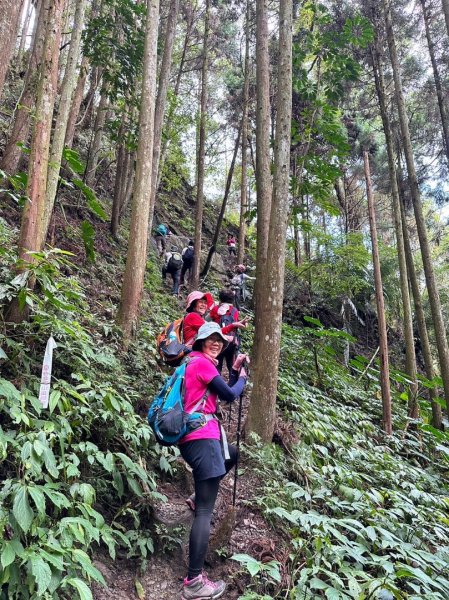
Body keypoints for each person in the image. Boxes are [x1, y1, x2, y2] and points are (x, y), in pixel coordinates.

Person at [179, 322, 249, 600]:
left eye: (220, 340)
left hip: (198, 440)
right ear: (200, 342)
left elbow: (221, 391)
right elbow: (232, 394)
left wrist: (233, 371)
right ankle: (194, 581)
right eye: (211, 339)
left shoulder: (194, 364)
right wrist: (243, 377)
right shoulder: (202, 365)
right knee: (205, 513)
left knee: (231, 453)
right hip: (202, 440)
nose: (217, 343)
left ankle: (198, 495)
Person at [183, 291, 248, 347]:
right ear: (193, 304)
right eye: (200, 302)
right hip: (194, 349)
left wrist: (234, 325)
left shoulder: (199, 316)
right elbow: (212, 331)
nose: (204, 305)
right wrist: (232, 327)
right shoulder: (193, 316)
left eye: (205, 303)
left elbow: (213, 329)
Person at [209, 288, 242, 375]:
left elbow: (209, 320)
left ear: (220, 298)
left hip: (218, 340)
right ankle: (233, 384)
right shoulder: (235, 311)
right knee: (231, 364)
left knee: (217, 364)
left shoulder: (215, 309)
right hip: (231, 341)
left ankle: (216, 384)